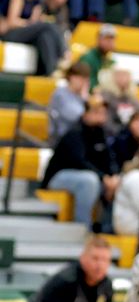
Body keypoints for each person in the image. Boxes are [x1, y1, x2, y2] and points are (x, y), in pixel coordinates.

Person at [42, 94, 119, 229]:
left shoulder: (102, 133)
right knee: (90, 181)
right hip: (59, 177)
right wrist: (104, 178)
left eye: (103, 113)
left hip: (91, 176)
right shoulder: (74, 132)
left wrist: (112, 177)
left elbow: (109, 158)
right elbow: (78, 161)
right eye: (96, 112)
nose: (100, 117)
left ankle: (106, 227)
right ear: (86, 113)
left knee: (117, 182)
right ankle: (82, 227)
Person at [1, 0, 65, 75]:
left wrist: (35, 22)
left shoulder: (37, 2)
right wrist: (30, 24)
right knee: (48, 26)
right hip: (10, 33)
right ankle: (63, 53)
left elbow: (35, 22)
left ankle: (51, 72)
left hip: (27, 33)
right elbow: (11, 21)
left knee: (44, 36)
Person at [48, 61, 90, 142]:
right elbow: (77, 116)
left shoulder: (79, 95)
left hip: (79, 137)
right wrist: (85, 98)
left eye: (85, 80)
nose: (83, 83)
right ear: (71, 77)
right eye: (81, 79)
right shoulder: (60, 94)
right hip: (61, 138)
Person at [99, 67, 139, 136]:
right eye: (119, 75)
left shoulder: (132, 97)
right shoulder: (105, 96)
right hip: (111, 134)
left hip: (130, 134)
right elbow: (106, 120)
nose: (123, 78)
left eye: (125, 75)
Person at [79, 22, 116, 90]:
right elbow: (85, 85)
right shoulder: (88, 58)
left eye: (112, 39)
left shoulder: (110, 60)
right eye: (106, 38)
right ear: (98, 39)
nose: (109, 42)